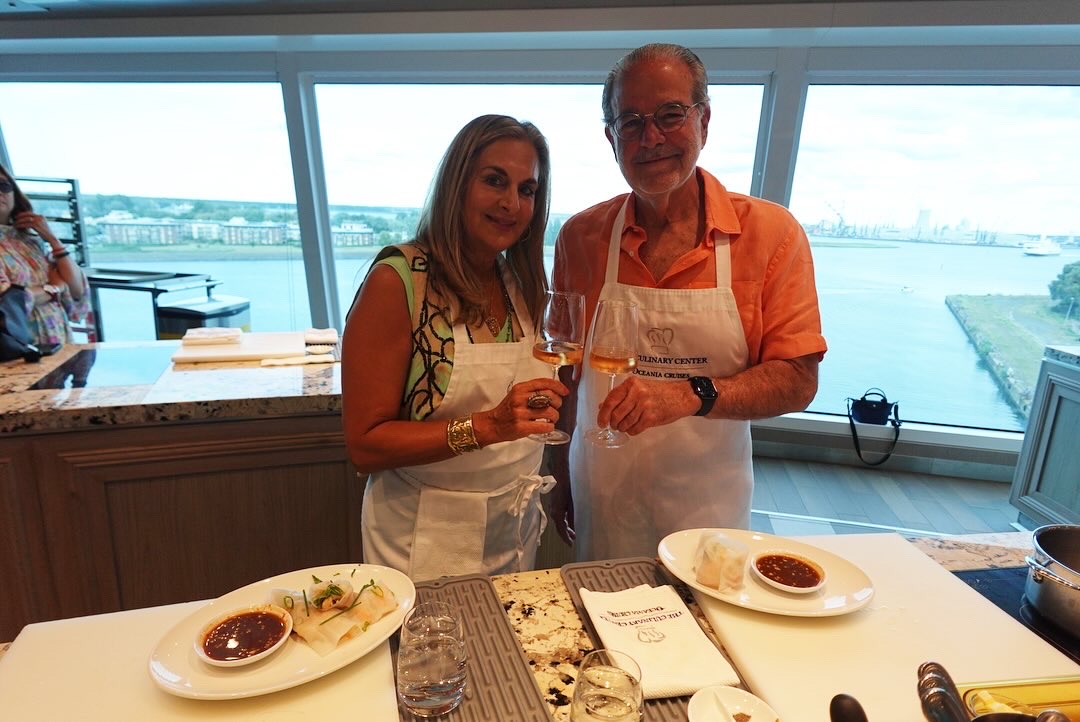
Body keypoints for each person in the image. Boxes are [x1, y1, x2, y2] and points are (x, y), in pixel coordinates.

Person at [551, 44, 827, 561]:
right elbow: (567, 373)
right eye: (629, 122)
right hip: (603, 495)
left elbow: (796, 380)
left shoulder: (770, 234)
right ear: (611, 138)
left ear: (704, 120)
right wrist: (558, 472)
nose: (650, 137)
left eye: (670, 115)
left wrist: (687, 394)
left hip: (708, 509)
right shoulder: (581, 236)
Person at [341, 114, 568, 581]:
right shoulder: (399, 281)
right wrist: (487, 426)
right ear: (456, 185)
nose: (511, 203)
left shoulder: (519, 281)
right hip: (425, 534)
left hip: (513, 527)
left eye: (527, 190)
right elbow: (365, 445)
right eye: (494, 181)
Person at [0, 164, 89, 350]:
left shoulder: (30, 242)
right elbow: (8, 302)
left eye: (4, 185)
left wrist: (52, 239)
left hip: (56, 341)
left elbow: (76, 290)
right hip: (15, 347)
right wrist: (54, 288)